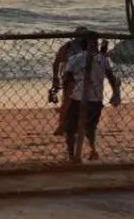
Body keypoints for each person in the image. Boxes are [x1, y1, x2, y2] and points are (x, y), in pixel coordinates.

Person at [61, 33, 121, 161]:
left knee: (71, 128)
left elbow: (66, 78)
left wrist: (66, 92)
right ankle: (92, 150)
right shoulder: (102, 59)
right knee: (90, 127)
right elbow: (111, 77)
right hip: (96, 98)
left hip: (78, 97)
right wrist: (115, 92)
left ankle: (72, 154)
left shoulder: (74, 59)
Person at [48, 27, 93, 136]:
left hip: (85, 78)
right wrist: (55, 78)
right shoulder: (67, 47)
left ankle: (76, 125)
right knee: (67, 102)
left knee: (82, 103)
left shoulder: (89, 47)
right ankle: (62, 125)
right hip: (71, 78)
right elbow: (56, 62)